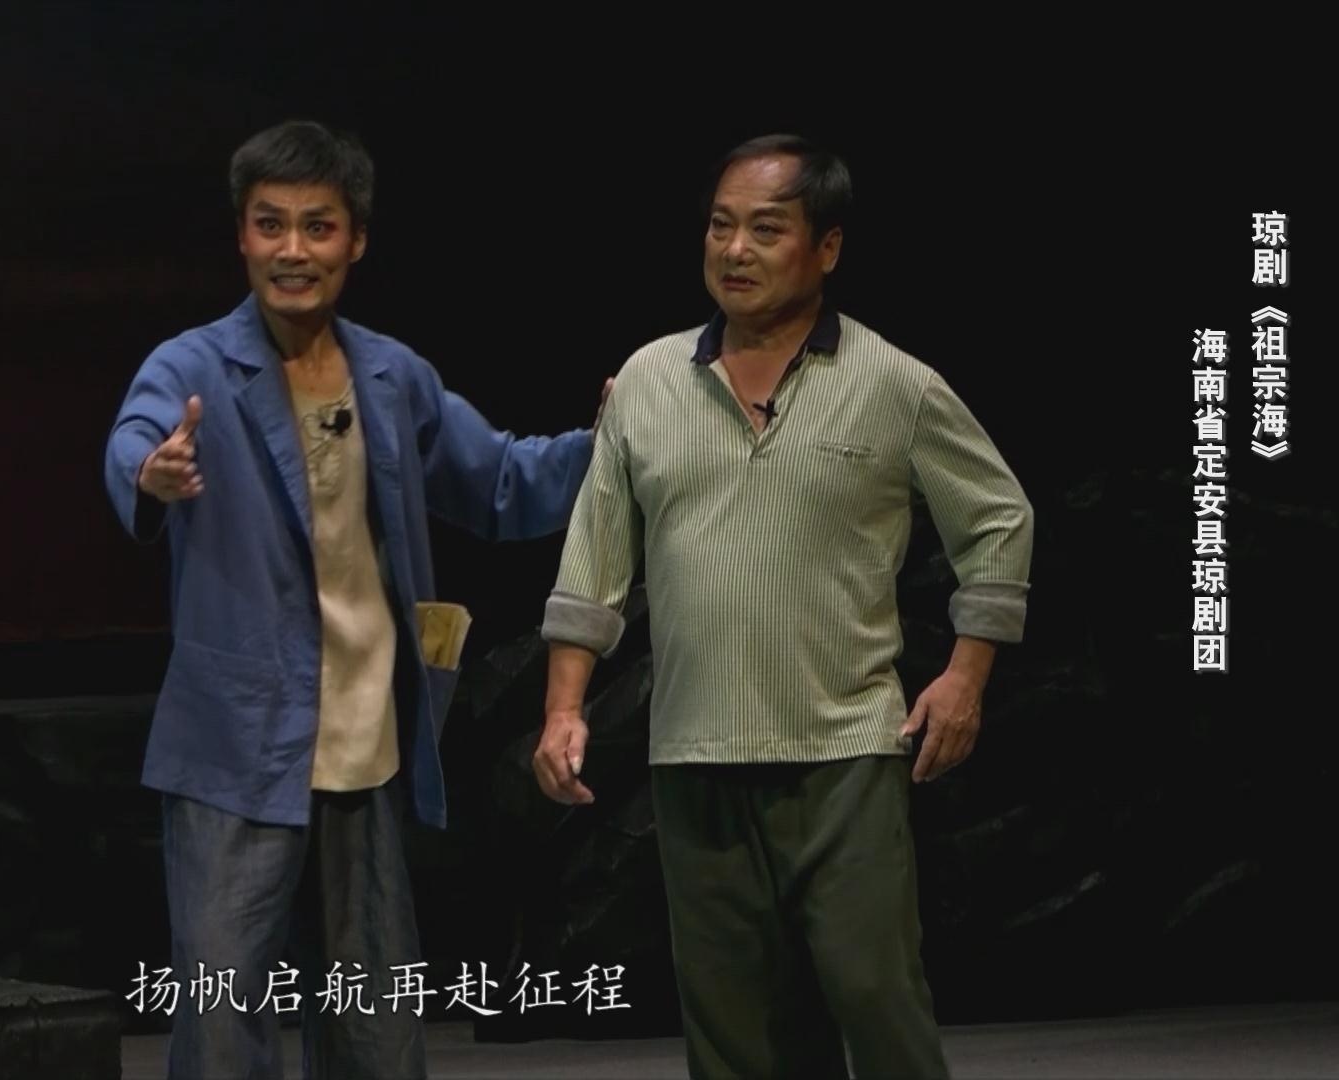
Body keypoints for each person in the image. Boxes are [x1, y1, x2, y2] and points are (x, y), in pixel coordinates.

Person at [103, 118, 604, 1079]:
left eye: (318, 227)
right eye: (271, 225)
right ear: (241, 236)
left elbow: (500, 483)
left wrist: (607, 443)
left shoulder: (390, 375)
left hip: (365, 741)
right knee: (221, 1022)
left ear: (356, 240)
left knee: (373, 1027)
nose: (293, 250)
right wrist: (151, 474)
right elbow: (134, 439)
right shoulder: (191, 367)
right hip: (238, 744)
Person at [533, 134, 1034, 1078]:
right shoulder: (647, 382)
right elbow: (593, 560)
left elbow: (999, 519)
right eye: (720, 226)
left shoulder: (894, 383)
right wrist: (564, 708)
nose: (735, 250)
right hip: (694, 755)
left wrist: (965, 678)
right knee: (734, 1028)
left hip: (843, 751)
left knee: (876, 998)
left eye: (766, 230)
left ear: (827, 247)